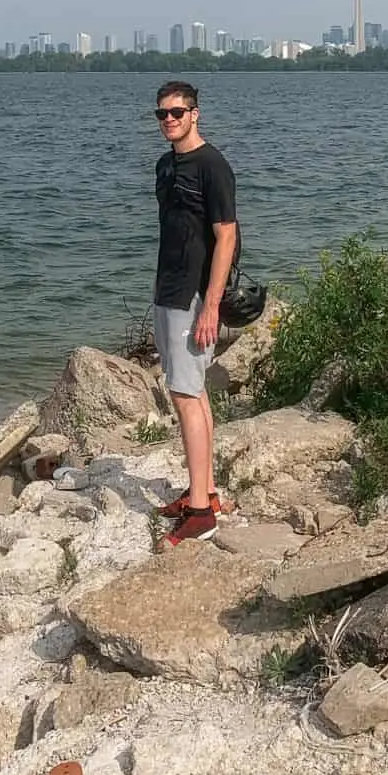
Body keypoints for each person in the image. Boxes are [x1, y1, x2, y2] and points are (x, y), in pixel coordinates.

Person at [150, 79, 239, 545]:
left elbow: (226, 236)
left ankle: (202, 513)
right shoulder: (166, 165)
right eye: (162, 114)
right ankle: (202, 490)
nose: (169, 120)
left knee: (185, 396)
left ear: (195, 113)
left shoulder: (212, 165)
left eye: (177, 112)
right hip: (167, 289)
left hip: (193, 298)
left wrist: (212, 303)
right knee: (192, 391)